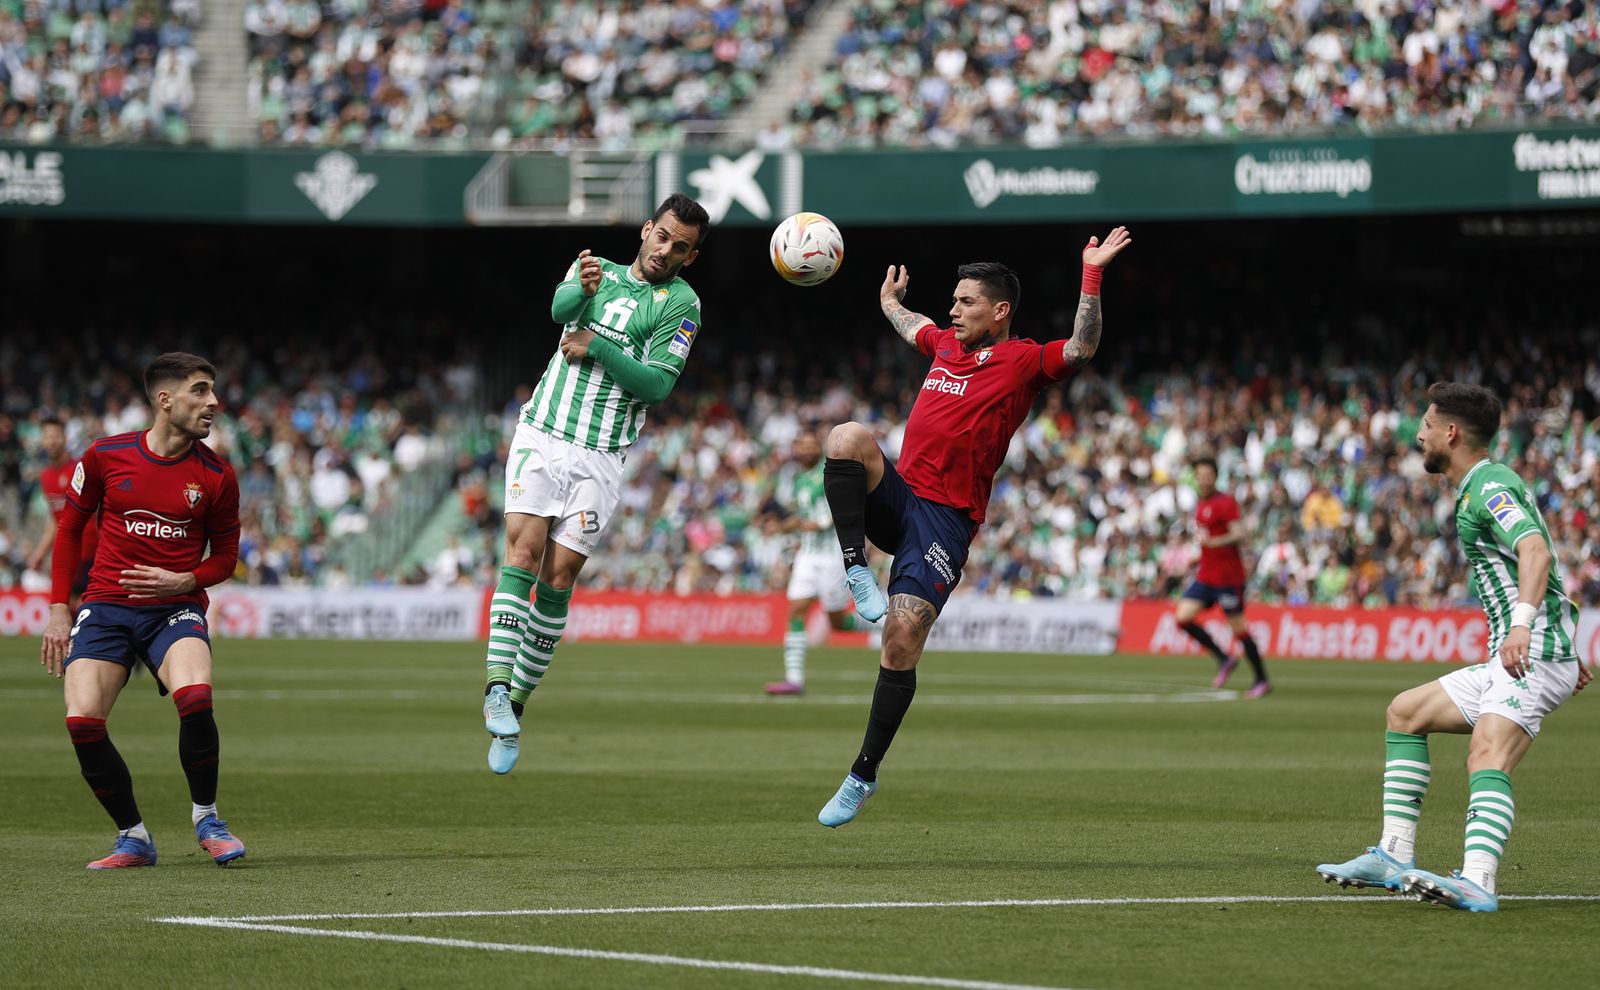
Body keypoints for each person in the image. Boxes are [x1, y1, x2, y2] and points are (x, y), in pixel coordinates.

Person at [815, 226, 1133, 827]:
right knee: (846, 438)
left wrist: (1091, 275)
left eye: (965, 301)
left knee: (902, 638)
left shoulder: (1022, 360)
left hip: (945, 521)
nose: (952, 309)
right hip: (902, 496)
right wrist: (888, 303)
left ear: (999, 310)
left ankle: (863, 774)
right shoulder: (945, 348)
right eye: (953, 300)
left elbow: (1084, 347)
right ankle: (856, 569)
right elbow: (915, 326)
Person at [1316, 382, 1589, 912]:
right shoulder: (1479, 486)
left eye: (1425, 424)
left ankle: (1479, 881)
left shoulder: (1489, 487)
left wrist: (1526, 628)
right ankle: (1393, 855)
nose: (1417, 434)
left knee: (1487, 752)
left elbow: (1535, 551)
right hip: (1525, 652)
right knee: (1405, 712)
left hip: (1528, 654)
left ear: (1451, 432)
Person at [480, 193, 711, 774]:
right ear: (646, 229)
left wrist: (599, 344)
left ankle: (515, 705)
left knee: (558, 580)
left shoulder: (682, 304)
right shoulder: (595, 270)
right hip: (544, 432)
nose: (667, 251)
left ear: (692, 256)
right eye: (662, 236)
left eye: (681, 247)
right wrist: (580, 292)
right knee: (523, 553)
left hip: (601, 454)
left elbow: (656, 388)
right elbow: (559, 313)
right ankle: (494, 687)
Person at [38, 352, 245, 869]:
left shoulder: (217, 475)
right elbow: (69, 529)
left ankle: (207, 819)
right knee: (83, 720)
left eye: (213, 391)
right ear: (165, 399)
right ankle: (133, 837)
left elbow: (226, 557)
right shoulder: (105, 456)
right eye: (200, 390)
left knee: (195, 696)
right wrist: (59, 608)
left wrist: (186, 579)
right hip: (106, 607)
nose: (214, 402)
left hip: (173, 609)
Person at [764, 427, 868, 696]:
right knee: (796, 610)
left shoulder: (828, 475)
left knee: (837, 622)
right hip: (807, 556)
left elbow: (848, 506)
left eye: (812, 445)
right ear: (797, 449)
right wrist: (780, 528)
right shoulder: (799, 480)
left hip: (832, 555)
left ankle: (888, 623)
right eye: (803, 445)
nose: (807, 449)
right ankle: (794, 680)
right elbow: (802, 519)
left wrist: (820, 523)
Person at [1173, 456, 1270, 698]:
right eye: (1200, 476)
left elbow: (1240, 534)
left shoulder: (1224, 502)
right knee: (1182, 617)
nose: (1204, 479)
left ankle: (1262, 679)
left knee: (1238, 629)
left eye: (1208, 475)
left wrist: (1214, 542)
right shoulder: (1200, 503)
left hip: (1228, 578)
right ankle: (1224, 658)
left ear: (1215, 477)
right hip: (1206, 575)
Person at [26, 417, 99, 611]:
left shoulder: (80, 468)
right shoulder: (45, 477)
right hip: (67, 552)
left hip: (93, 550)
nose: (52, 441)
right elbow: (55, 519)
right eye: (47, 436)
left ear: (65, 438)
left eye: (56, 435)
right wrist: (40, 553)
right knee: (69, 607)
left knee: (83, 605)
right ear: (41, 440)